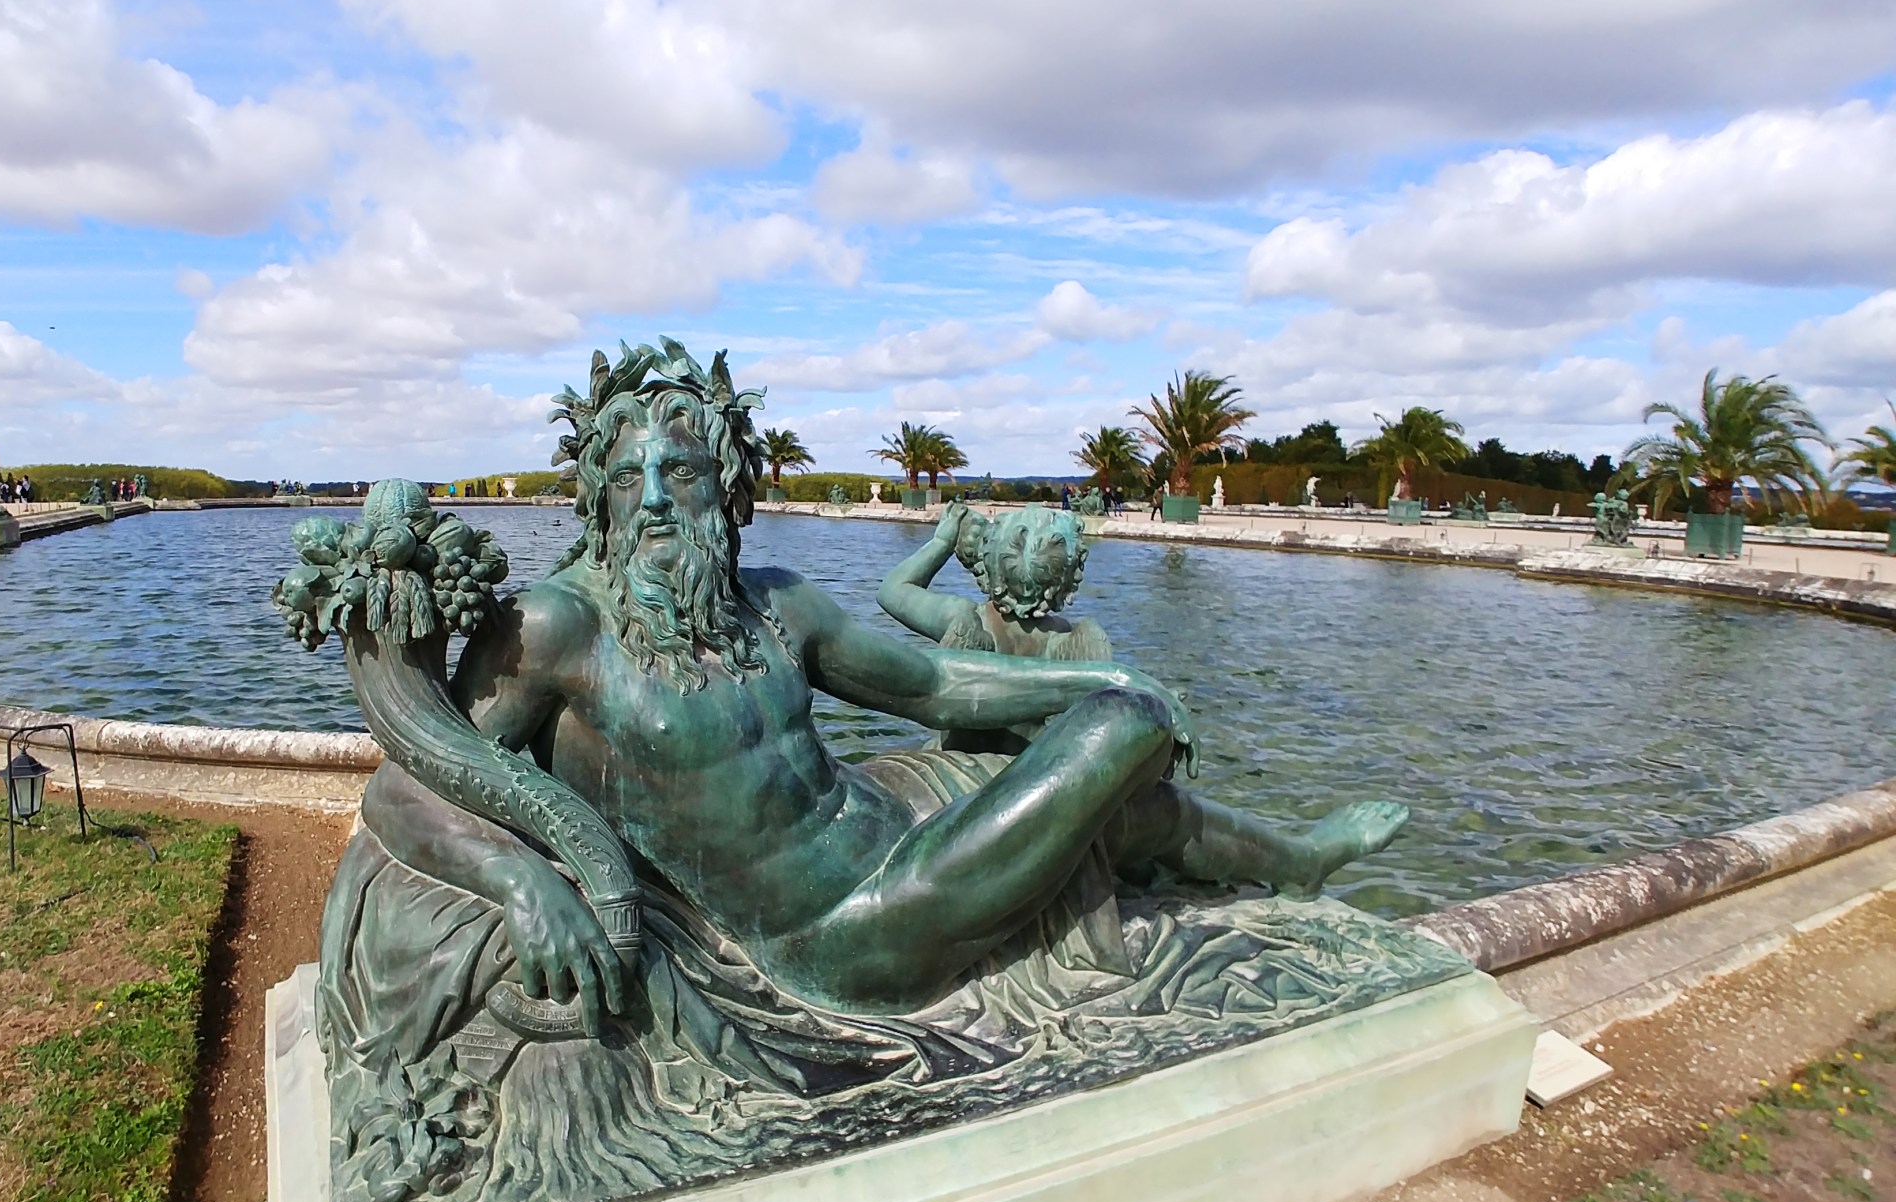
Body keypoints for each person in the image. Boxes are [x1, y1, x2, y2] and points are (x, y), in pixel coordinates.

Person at [354, 343, 1406, 1024]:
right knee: (1123, 729)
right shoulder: (556, 629)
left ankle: (1298, 860)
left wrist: (1094, 667)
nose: (660, 501)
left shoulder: (775, 602)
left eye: (684, 472)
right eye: (631, 479)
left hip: (898, 824)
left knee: (1120, 803)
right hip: (853, 932)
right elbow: (411, 781)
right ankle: (1275, 842)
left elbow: (940, 685)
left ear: (730, 486)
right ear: (596, 494)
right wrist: (524, 883)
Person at [875, 501, 1109, 753]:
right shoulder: (1066, 639)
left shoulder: (967, 618)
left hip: (960, 756)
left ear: (990, 565)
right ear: (1067, 578)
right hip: (1021, 761)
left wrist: (941, 544)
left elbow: (892, 590)